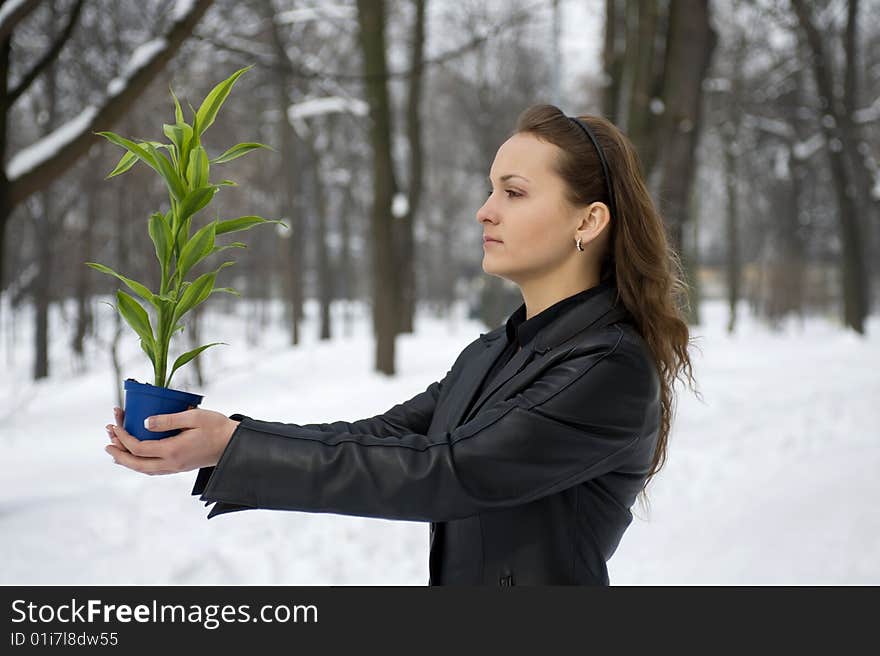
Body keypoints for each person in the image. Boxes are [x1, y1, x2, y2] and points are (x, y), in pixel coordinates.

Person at [104, 104, 697, 585]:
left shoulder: (609, 367)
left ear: (588, 222)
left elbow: (446, 472)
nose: (484, 212)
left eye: (513, 193)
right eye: (491, 190)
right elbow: (383, 438)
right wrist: (221, 441)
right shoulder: (496, 351)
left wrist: (236, 447)